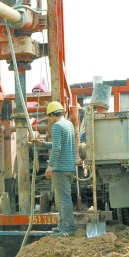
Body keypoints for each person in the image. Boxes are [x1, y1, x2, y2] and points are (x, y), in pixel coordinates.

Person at [31, 101, 76, 237]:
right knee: (62, 198)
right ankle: (62, 226)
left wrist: (50, 166)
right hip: (69, 167)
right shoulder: (69, 124)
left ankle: (68, 229)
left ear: (51, 115)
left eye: (49, 117)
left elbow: (57, 148)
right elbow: (58, 144)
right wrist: (42, 143)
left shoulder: (56, 126)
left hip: (60, 168)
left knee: (64, 199)